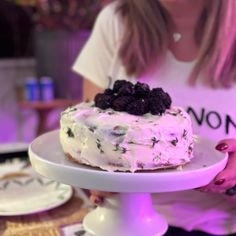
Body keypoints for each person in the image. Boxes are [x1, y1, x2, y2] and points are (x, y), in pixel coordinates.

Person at [72, 0, 236, 235]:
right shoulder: (116, 20)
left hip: (215, 226)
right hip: (119, 220)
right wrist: (96, 178)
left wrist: (231, 184)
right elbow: (88, 137)